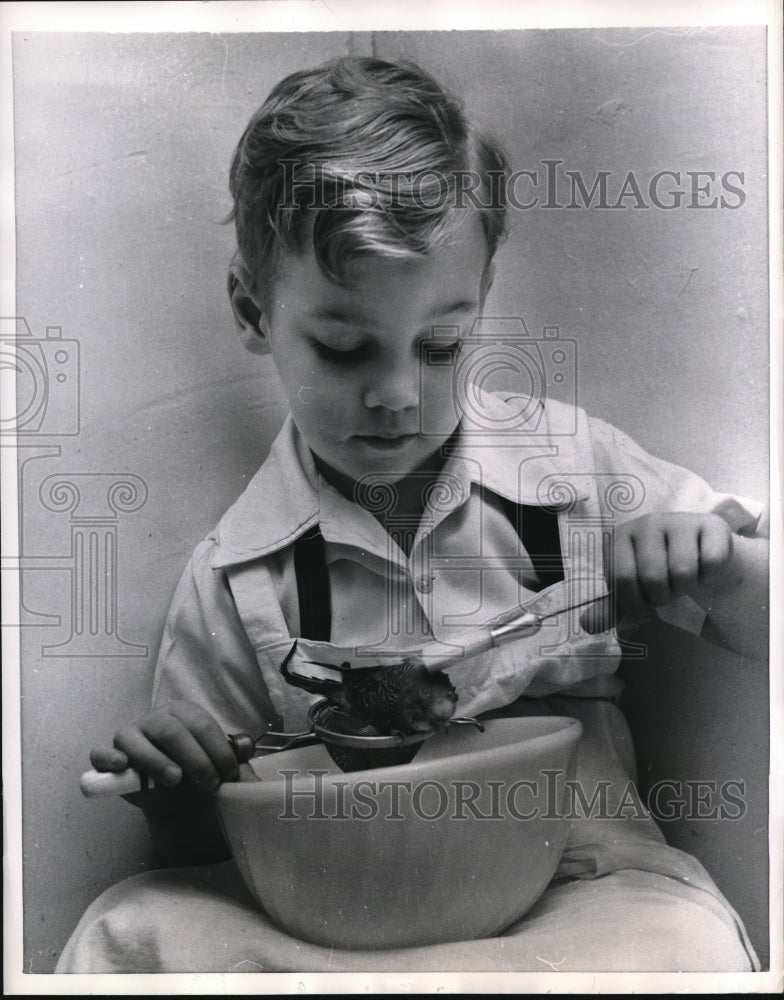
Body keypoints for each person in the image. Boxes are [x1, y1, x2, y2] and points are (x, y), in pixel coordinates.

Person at [57, 56, 767, 973]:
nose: (396, 393)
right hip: (343, 920)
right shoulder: (239, 576)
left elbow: (765, 624)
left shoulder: (571, 467)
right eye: (345, 348)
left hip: (578, 894)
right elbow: (204, 851)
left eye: (440, 346)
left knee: (683, 946)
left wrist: (714, 564)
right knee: (129, 931)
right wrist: (179, 791)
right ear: (250, 307)